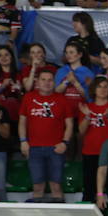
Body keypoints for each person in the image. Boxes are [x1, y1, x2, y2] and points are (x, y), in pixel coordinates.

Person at [18, 70, 72, 204]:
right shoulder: (28, 98)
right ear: (37, 82)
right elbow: (22, 122)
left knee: (56, 186)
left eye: (50, 80)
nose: (47, 83)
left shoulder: (61, 99)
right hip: (34, 148)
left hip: (56, 148)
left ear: (54, 83)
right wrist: (23, 141)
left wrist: (65, 142)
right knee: (37, 186)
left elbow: (69, 124)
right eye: (43, 79)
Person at [78, 76, 108, 203]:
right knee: (90, 188)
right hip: (91, 152)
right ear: (94, 89)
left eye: (106, 86)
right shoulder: (87, 107)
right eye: (99, 86)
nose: (103, 89)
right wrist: (87, 116)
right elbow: (81, 131)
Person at [0, 45, 22, 120]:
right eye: (0, 55)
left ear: (11, 57)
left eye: (6, 55)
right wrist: (3, 86)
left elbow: (22, 94)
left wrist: (19, 89)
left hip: (16, 112)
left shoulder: (18, 74)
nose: (3, 58)